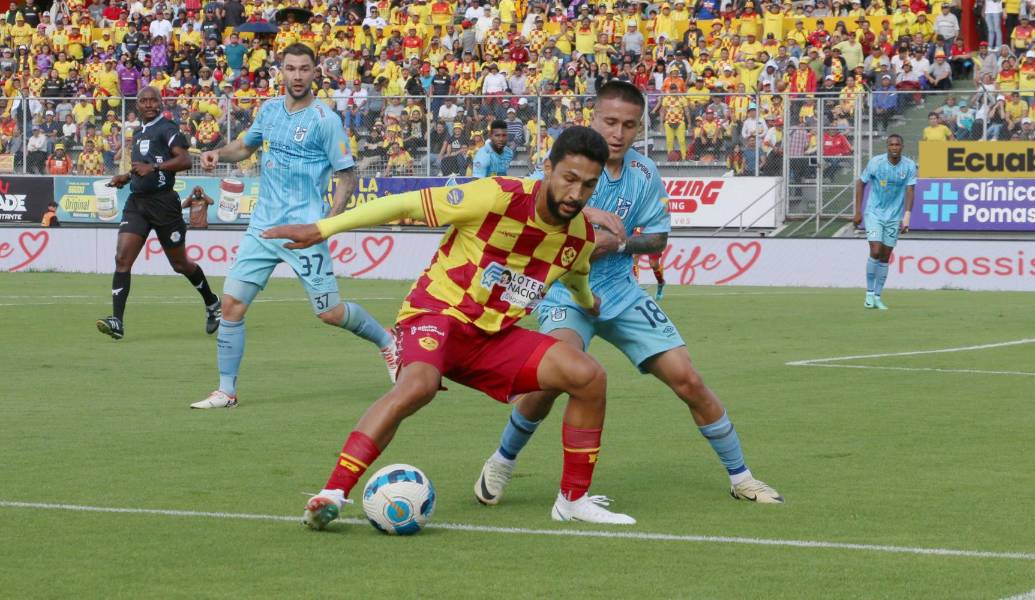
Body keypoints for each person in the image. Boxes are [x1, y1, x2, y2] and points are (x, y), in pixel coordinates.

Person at [265, 126, 636, 527]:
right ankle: (332, 492)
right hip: (437, 315)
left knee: (588, 376)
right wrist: (321, 229)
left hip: (492, 340)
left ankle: (572, 501)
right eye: (569, 179)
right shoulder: (496, 195)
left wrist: (587, 303)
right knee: (417, 386)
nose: (576, 195)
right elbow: (403, 204)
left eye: (588, 185)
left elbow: (576, 275)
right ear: (547, 168)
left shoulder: (579, 236)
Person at [473, 82, 782, 507]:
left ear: (640, 128)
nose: (618, 133)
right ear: (593, 117)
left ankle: (742, 477)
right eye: (610, 122)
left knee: (689, 380)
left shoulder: (644, 174)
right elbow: (523, 210)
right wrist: (579, 239)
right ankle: (503, 460)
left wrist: (616, 245)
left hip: (622, 292)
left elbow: (656, 239)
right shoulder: (562, 165)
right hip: (565, 293)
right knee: (553, 379)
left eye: (629, 125)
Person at [190, 44, 397, 410]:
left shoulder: (325, 120)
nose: (297, 75)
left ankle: (388, 342)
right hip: (263, 227)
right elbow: (244, 147)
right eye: (291, 68)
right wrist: (217, 154)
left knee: (329, 313)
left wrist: (327, 225)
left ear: (316, 72)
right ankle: (226, 391)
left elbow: (346, 178)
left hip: (304, 232)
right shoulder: (269, 110)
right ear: (280, 71)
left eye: (304, 69)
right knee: (232, 305)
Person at [96, 86, 220, 341]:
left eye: (154, 100)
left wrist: (153, 167)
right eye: (144, 101)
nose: (149, 104)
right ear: (137, 105)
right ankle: (117, 321)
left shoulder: (167, 128)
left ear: (160, 103)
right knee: (122, 258)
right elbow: (143, 167)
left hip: (164, 204)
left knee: (180, 264)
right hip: (138, 202)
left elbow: (185, 160)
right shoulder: (139, 131)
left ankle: (212, 303)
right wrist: (126, 176)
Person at [853, 134, 917, 311]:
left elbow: (911, 190)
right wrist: (858, 211)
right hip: (874, 213)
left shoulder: (909, 166)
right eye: (891, 145)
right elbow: (861, 183)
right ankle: (869, 294)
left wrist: (907, 216)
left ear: (902, 147)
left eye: (897, 144)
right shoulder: (876, 163)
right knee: (875, 250)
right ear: (887, 147)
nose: (894, 147)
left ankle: (878, 297)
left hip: (894, 217)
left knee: (885, 256)